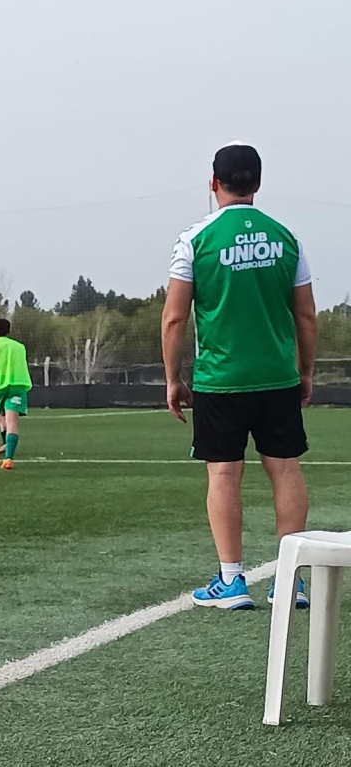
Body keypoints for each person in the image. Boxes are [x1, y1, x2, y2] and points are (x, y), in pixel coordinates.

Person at [162, 142, 317, 610]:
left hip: (219, 379)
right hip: (276, 377)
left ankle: (231, 581)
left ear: (213, 184)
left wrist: (173, 379)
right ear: (258, 184)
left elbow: (173, 318)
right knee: (285, 468)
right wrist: (305, 371)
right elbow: (306, 317)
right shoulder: (287, 238)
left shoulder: (195, 239)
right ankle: (290, 582)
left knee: (224, 474)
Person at [0, 318, 32, 471]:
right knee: (12, 422)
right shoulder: (20, 347)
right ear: (9, 330)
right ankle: (8, 459)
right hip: (17, 385)